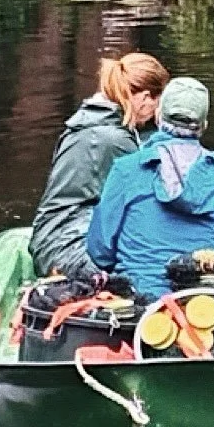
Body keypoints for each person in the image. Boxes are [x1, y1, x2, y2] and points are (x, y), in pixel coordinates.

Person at [86, 77, 214, 297]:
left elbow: (99, 252)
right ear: (204, 126)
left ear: (158, 116)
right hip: (208, 306)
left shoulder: (127, 170)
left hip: (139, 304)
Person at [30, 53, 169, 277]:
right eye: (158, 103)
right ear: (144, 98)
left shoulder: (88, 123)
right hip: (67, 246)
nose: (156, 112)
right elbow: (147, 203)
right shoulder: (114, 140)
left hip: (52, 237)